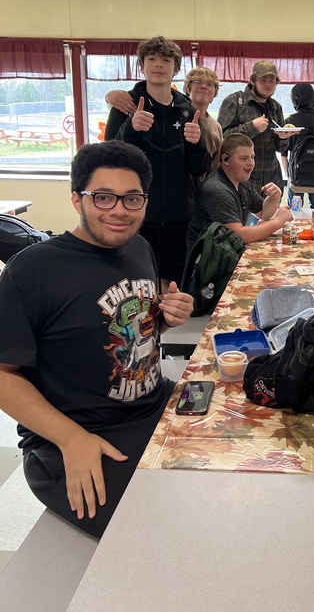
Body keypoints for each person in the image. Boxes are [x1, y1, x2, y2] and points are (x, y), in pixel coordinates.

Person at [0, 140, 193, 538]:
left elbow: (130, 330)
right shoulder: (32, 271)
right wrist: (71, 438)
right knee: (163, 533)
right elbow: (3, 375)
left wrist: (167, 319)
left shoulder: (138, 246)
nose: (119, 210)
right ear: (76, 199)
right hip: (79, 434)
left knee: (233, 467)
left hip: (153, 405)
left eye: (132, 198)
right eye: (103, 197)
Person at [104, 36, 210, 290]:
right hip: (135, 215)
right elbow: (108, 160)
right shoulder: (125, 105)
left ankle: (162, 330)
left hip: (177, 216)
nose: (158, 65)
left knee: (171, 288)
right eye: (151, 59)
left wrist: (197, 144)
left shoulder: (188, 110)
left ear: (176, 68)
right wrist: (130, 128)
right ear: (142, 66)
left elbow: (198, 168)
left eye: (166, 60)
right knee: (134, 286)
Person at [106, 64, 222, 176]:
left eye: (210, 84)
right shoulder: (171, 112)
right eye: (197, 82)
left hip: (197, 191)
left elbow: (211, 167)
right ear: (188, 87)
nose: (204, 86)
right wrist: (109, 97)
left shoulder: (216, 127)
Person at [187, 134, 294, 248]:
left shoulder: (242, 184)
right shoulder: (217, 189)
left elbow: (263, 213)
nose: (250, 163)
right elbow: (239, 235)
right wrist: (278, 222)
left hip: (223, 252)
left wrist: (274, 197)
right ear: (225, 159)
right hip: (206, 259)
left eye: (252, 157)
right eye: (244, 158)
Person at [217, 60, 294, 193]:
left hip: (271, 184)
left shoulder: (275, 107)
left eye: (272, 80)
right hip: (240, 185)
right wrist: (252, 127)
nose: (269, 84)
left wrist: (283, 137)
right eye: (264, 79)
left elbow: (280, 148)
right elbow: (222, 139)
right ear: (253, 80)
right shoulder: (234, 101)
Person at [282, 83, 314, 210]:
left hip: (296, 177)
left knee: (294, 212)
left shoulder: (289, 122)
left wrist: (288, 175)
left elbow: (283, 153)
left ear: (295, 99)